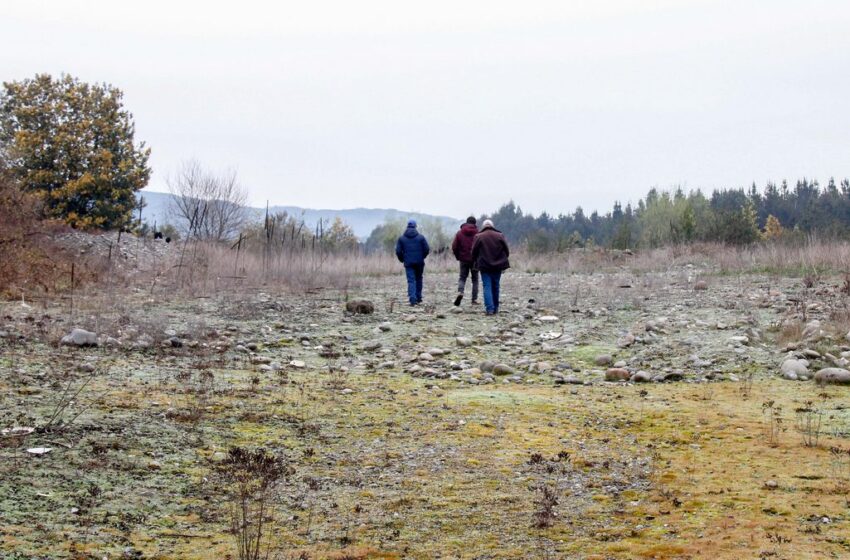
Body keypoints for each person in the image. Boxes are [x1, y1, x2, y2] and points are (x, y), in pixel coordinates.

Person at [471, 219, 510, 315]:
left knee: (487, 286)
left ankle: (490, 309)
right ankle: (496, 308)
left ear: (483, 226)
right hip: (498, 265)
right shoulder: (500, 235)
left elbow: (473, 252)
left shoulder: (478, 236)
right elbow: (507, 251)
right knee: (496, 286)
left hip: (484, 266)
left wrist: (476, 261)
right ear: (492, 226)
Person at [395, 220, 430, 306]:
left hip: (408, 263)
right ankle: (419, 298)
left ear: (407, 226)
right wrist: (422, 257)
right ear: (415, 226)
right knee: (419, 279)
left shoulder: (401, 238)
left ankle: (412, 300)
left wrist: (402, 259)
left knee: (411, 281)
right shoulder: (421, 237)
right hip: (419, 262)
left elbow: (398, 251)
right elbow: (427, 249)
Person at [451, 216, 479, 306]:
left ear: (466, 222)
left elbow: (454, 247)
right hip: (475, 260)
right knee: (475, 279)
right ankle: (474, 299)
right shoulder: (478, 233)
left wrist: (458, 256)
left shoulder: (459, 233)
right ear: (475, 223)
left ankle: (460, 292)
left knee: (462, 277)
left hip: (463, 259)